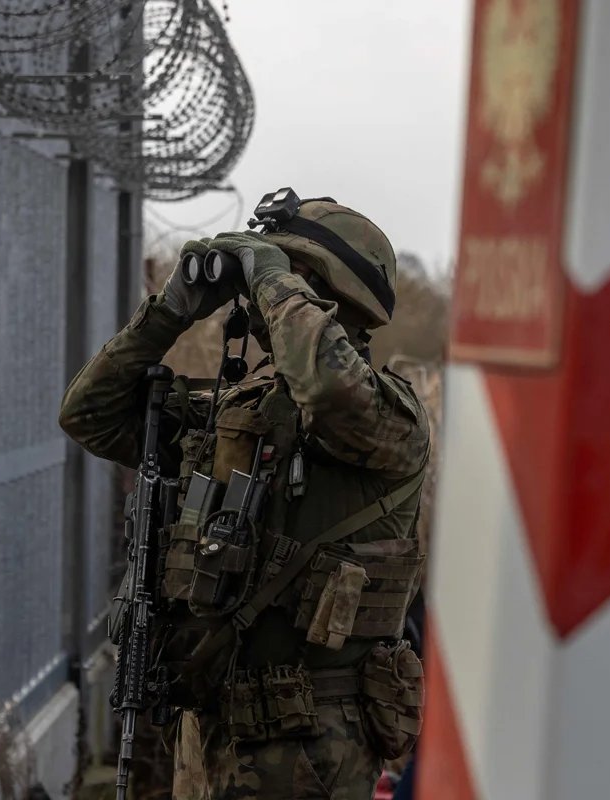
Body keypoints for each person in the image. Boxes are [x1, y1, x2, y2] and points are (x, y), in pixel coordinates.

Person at [60, 193, 429, 799]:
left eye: (286, 272)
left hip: (307, 746)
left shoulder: (390, 419)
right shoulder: (237, 409)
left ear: (327, 293)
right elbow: (89, 415)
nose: (258, 294)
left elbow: (331, 390)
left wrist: (272, 278)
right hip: (207, 733)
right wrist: (170, 312)